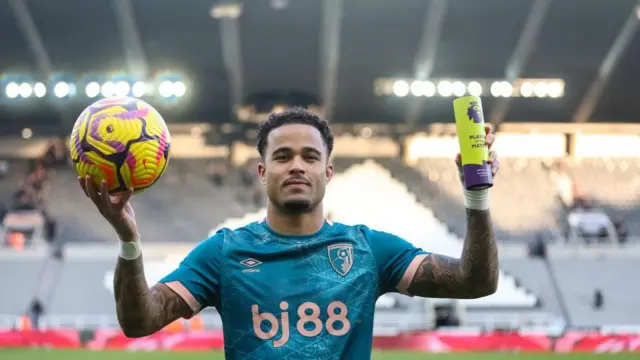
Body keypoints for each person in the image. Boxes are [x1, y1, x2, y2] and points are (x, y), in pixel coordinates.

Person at [78, 107, 500, 359]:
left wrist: (476, 197)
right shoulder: (224, 252)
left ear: (327, 172)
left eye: (309, 156)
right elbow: (139, 322)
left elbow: (476, 280)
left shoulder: (370, 249)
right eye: (282, 156)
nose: (296, 165)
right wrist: (128, 240)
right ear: (262, 173)